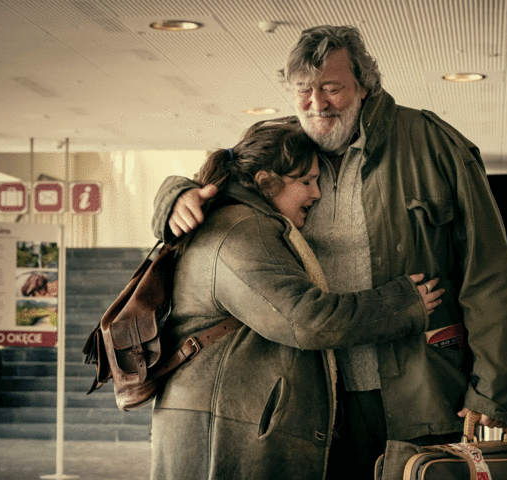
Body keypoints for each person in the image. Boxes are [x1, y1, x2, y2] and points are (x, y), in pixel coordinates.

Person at [152, 25, 507, 478]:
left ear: (365, 86)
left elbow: (487, 272)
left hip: (421, 389)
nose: (317, 104)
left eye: (332, 88)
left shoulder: (431, 144)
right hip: (312, 402)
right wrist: (174, 195)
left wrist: (494, 390)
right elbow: (218, 183)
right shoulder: (281, 151)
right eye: (303, 91)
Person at [150, 122, 445, 480]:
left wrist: (174, 192)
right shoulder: (242, 230)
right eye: (306, 181)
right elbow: (306, 319)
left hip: (222, 421)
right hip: (223, 431)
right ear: (264, 182)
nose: (317, 193)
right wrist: (400, 304)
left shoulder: (239, 219)